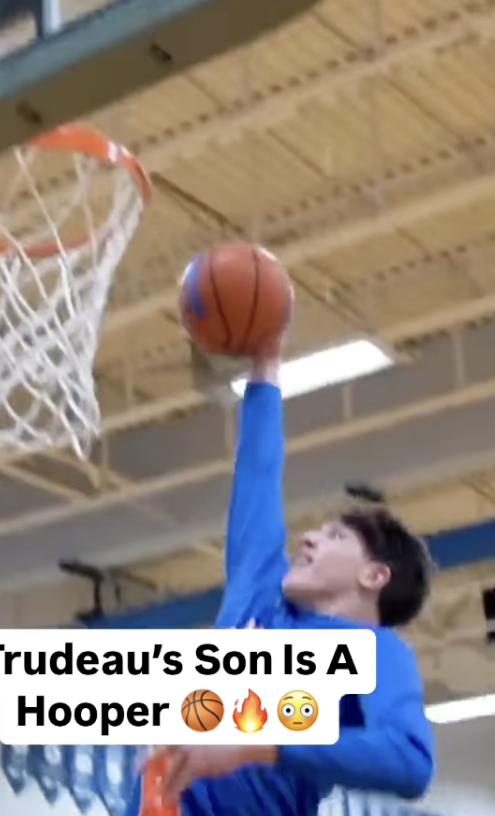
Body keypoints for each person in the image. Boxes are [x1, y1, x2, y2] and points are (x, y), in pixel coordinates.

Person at [151, 341, 435, 816]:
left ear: (374, 575)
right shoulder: (260, 595)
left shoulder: (376, 652)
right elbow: (258, 472)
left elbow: (411, 763)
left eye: (335, 537)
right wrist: (266, 362)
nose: (308, 540)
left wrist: (260, 743)